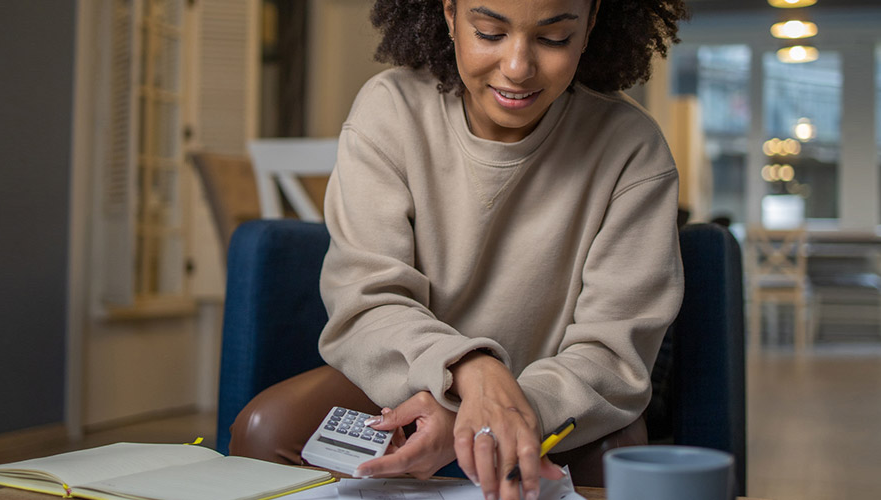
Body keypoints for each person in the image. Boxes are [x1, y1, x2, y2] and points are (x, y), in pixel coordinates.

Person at [230, 0, 687, 499]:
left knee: (617, 456)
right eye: (490, 33)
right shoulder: (391, 110)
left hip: (554, 396)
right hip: (408, 375)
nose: (517, 67)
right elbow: (365, 303)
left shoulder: (633, 149)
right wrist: (467, 377)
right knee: (265, 429)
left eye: (553, 38)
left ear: (592, 22)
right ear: (449, 15)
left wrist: (495, 418)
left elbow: (612, 355)